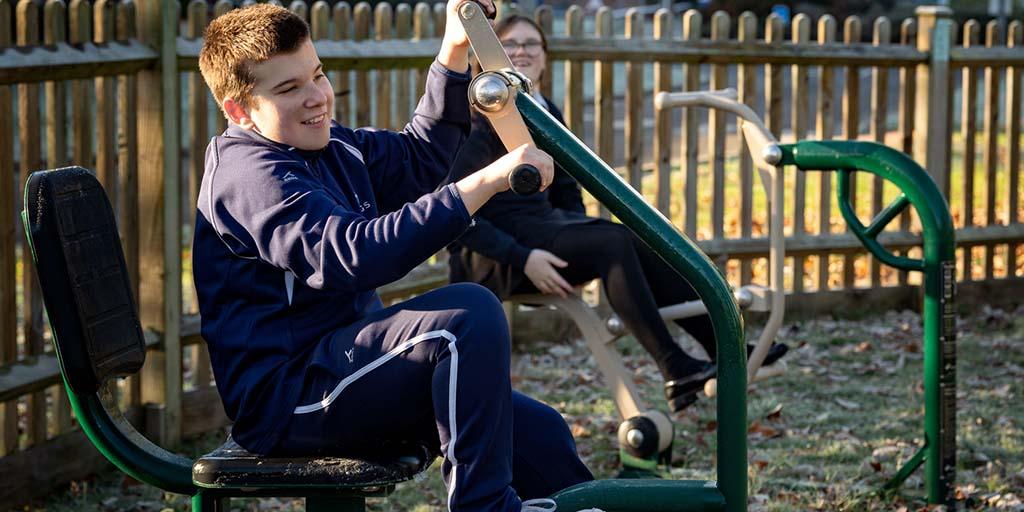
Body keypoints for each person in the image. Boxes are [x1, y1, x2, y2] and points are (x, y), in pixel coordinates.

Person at [192, 3, 594, 511]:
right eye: (289, 88)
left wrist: (453, 49)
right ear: (239, 111)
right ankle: (484, 506)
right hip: (290, 399)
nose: (317, 97)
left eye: (318, 75)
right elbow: (353, 254)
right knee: (465, 317)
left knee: (539, 433)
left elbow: (419, 158)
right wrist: (486, 182)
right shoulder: (249, 176)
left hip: (347, 369)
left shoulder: (330, 147)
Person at [445, 15, 788, 413]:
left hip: (541, 231)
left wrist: (574, 232)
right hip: (492, 256)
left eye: (531, 44)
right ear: (488, 56)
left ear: (545, 56)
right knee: (612, 241)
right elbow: (453, 213)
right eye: (510, 44)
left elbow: (566, 186)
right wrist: (525, 258)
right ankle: (675, 366)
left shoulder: (541, 108)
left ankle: (725, 350)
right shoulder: (481, 116)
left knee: (643, 239)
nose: (521, 51)